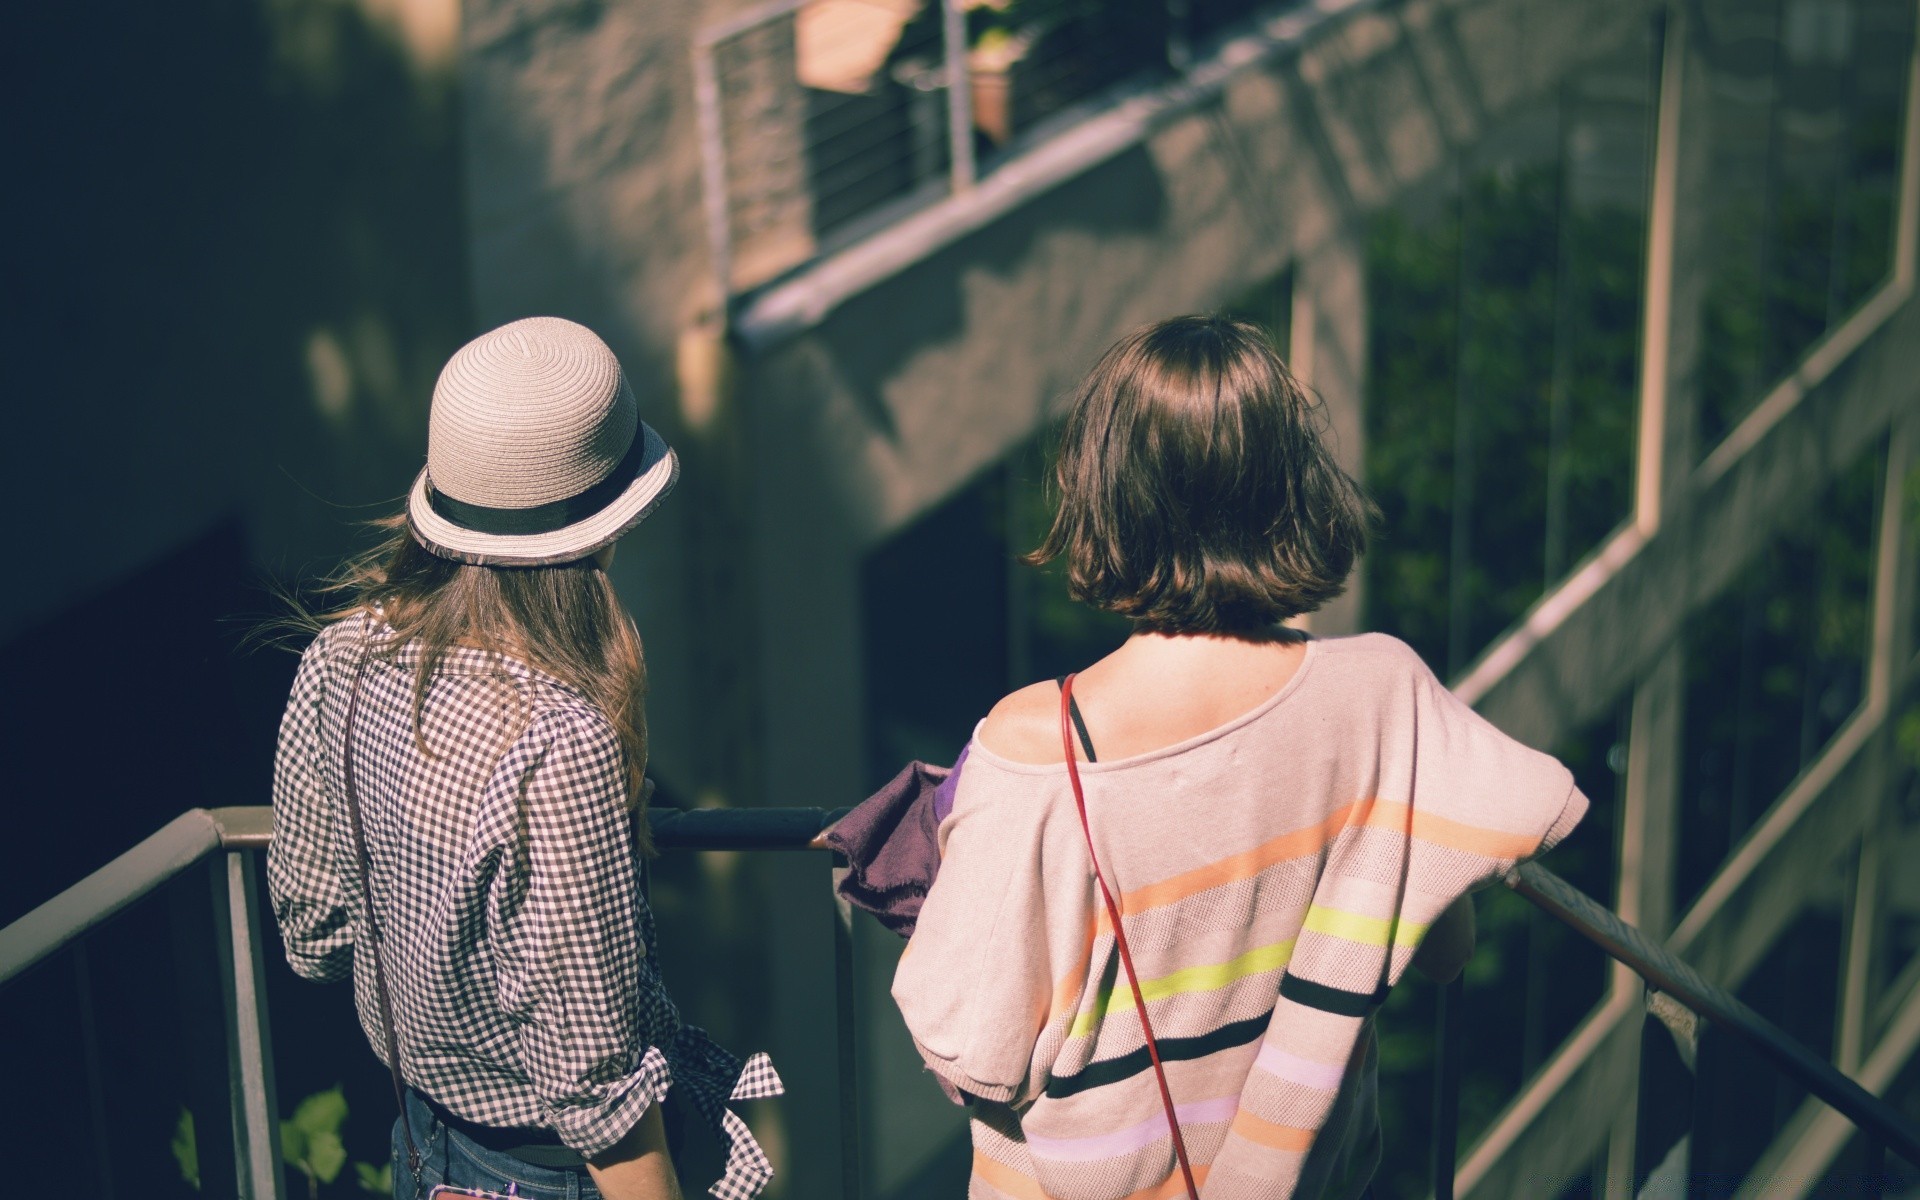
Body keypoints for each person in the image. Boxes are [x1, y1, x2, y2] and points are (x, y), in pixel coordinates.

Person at [890, 315, 1587, 1200]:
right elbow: (1443, 948)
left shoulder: (1033, 749)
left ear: (1103, 491)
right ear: (1293, 491)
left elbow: (974, 1056)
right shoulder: (1383, 694)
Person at [267, 317, 781, 1200]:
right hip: (549, 1175)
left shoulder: (340, 658)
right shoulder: (558, 742)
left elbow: (313, 937)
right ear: (602, 531)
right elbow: (599, 1096)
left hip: (422, 1143)